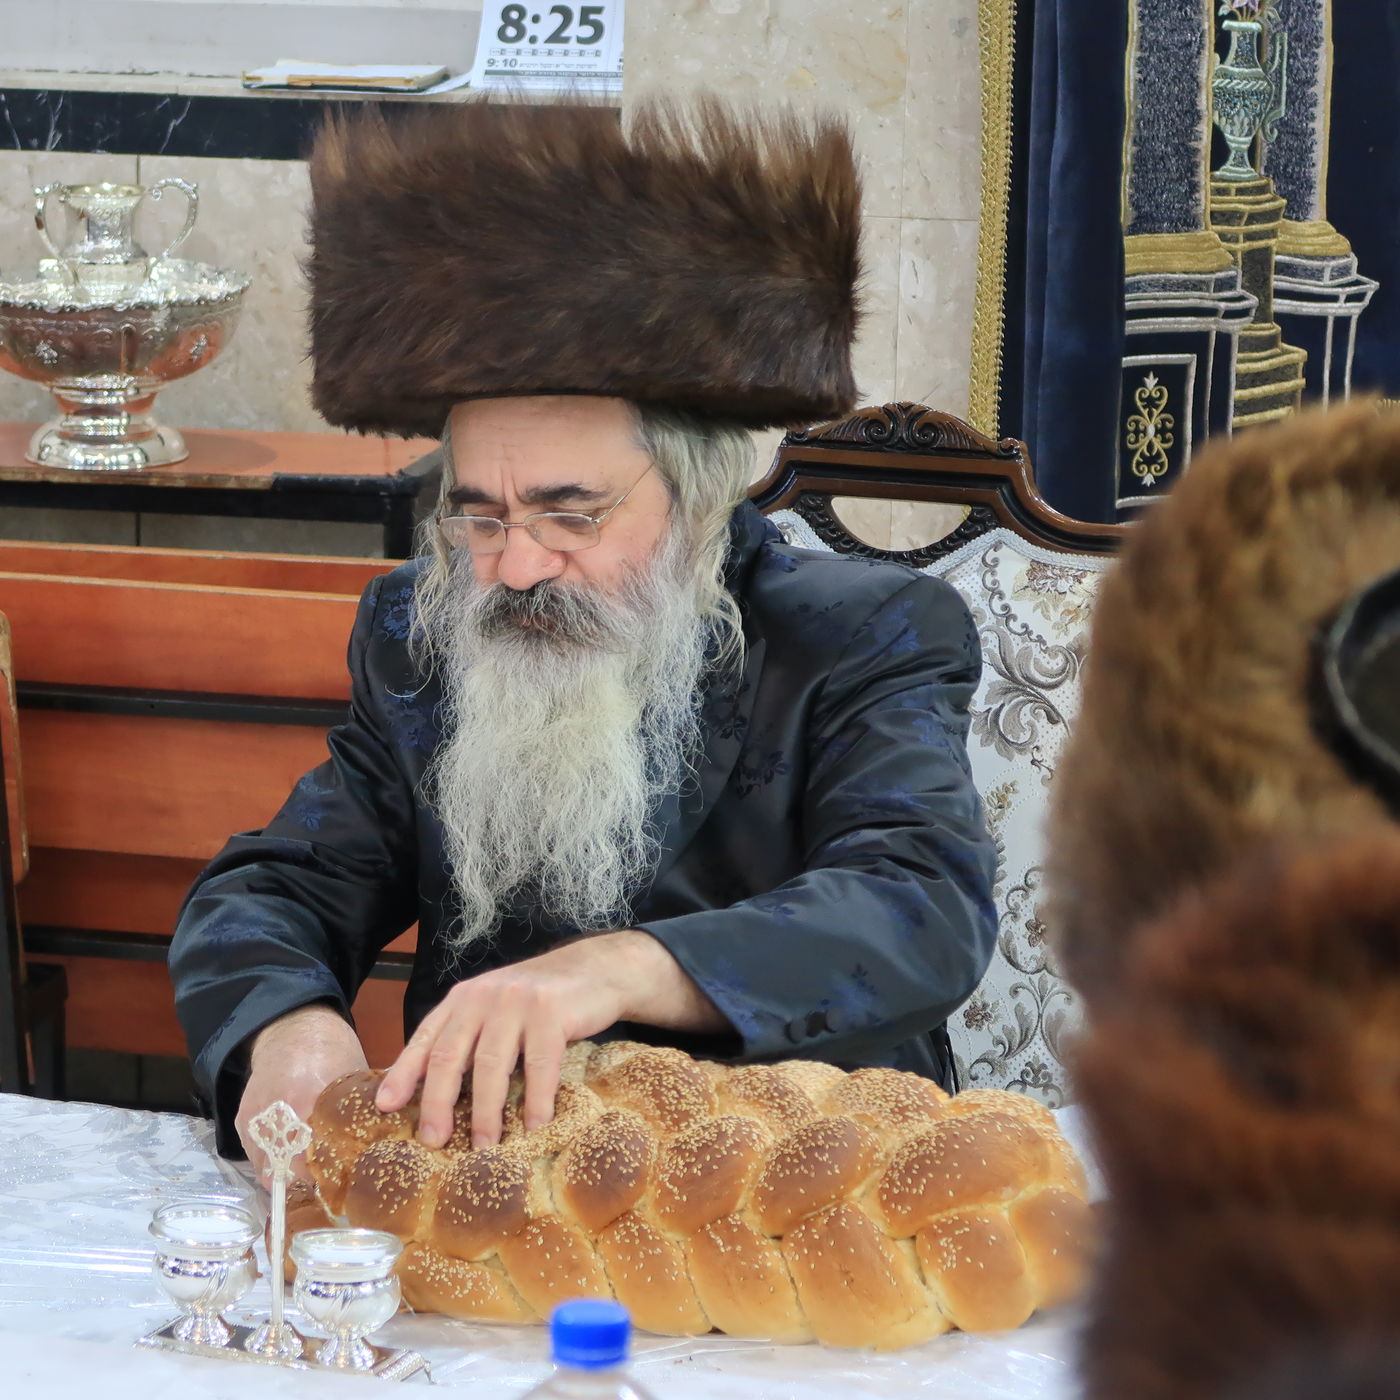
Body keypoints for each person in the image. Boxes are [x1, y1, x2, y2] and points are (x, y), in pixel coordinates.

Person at [168, 97, 996, 1175]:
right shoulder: (424, 637)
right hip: (500, 1184)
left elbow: (917, 901)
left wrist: (616, 968)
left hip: (800, 1176)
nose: (514, 566)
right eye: (478, 512)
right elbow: (273, 886)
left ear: (696, 503)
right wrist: (285, 1020)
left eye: (570, 513)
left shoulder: (868, 632)